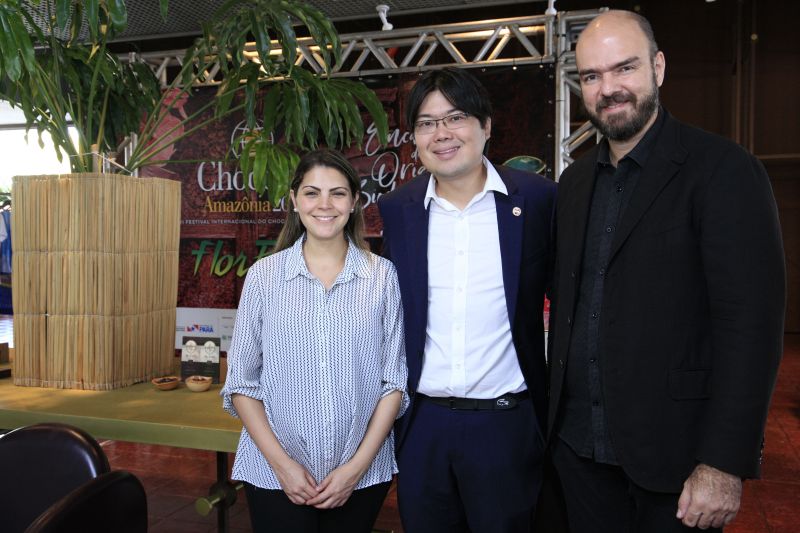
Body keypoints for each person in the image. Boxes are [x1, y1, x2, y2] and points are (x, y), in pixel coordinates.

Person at [547, 10, 786, 533]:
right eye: (591, 76)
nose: (609, 88)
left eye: (623, 68)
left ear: (658, 67)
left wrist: (724, 462)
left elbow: (751, 328)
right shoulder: (575, 183)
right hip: (579, 454)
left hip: (678, 464)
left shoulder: (724, 170)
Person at [378, 67, 557, 533]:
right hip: (424, 427)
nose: (442, 134)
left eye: (455, 118)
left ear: (486, 126)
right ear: (414, 136)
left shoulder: (538, 201)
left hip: (506, 424)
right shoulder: (399, 211)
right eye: (426, 122)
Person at [221, 148, 408, 533]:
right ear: (293, 200)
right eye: (312, 192)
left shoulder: (382, 278)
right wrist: (283, 466)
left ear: (355, 202)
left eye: (338, 193)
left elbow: (394, 384)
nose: (325, 204)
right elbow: (241, 383)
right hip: (275, 474)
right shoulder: (263, 277)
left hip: (361, 474)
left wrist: (355, 469)